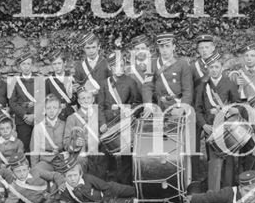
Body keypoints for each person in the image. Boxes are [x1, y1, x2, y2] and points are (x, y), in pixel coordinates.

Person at [194, 52, 241, 191]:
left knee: (229, 162)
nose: (214, 70)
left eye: (216, 66)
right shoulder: (203, 86)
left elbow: (238, 105)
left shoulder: (229, 84)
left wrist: (231, 111)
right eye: (211, 67)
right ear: (207, 69)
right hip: (211, 129)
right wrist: (203, 125)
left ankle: (228, 192)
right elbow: (198, 108)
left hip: (227, 130)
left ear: (221, 67)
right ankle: (213, 193)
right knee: (213, 161)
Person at [97, 52, 141, 184]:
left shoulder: (130, 82)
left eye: (122, 65)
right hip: (109, 123)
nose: (120, 68)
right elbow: (99, 106)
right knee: (107, 153)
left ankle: (127, 182)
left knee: (126, 153)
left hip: (125, 122)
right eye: (116, 66)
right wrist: (102, 123)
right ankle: (110, 181)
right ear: (110, 68)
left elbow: (137, 102)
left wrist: (129, 111)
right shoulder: (104, 83)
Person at [142, 32, 194, 117]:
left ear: (174, 47)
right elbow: (147, 86)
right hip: (159, 106)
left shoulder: (182, 64)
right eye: (161, 46)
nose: (164, 49)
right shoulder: (152, 64)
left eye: (167, 46)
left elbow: (187, 90)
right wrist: (148, 105)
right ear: (158, 48)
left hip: (177, 105)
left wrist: (183, 108)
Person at [59, 163, 136, 203]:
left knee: (136, 191)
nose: (73, 179)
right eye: (69, 176)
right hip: (104, 200)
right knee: (131, 202)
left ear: (80, 174)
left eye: (75, 175)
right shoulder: (65, 190)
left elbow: (106, 187)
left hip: (112, 190)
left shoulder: (88, 178)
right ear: (64, 177)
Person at [63, 86, 103, 177]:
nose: (86, 101)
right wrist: (75, 143)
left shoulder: (99, 116)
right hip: (80, 155)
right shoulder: (72, 118)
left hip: (97, 153)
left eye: (88, 98)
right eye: (83, 98)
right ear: (79, 101)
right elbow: (65, 143)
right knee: (81, 159)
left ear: (93, 99)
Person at [9, 51, 42, 151]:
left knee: (39, 145)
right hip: (22, 120)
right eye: (23, 64)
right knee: (24, 146)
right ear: (19, 66)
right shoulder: (14, 81)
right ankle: (26, 166)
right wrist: (24, 115)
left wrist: (35, 115)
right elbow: (12, 103)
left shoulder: (39, 79)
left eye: (28, 64)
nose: (26, 67)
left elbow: (43, 100)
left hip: (38, 118)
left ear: (32, 65)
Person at [30, 94, 66, 171]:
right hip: (46, 161)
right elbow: (34, 151)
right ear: (45, 110)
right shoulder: (38, 127)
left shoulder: (64, 125)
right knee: (38, 171)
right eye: (48, 108)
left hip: (62, 160)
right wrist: (34, 169)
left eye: (55, 108)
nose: (51, 111)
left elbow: (67, 144)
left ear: (59, 110)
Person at [45, 50, 75, 121]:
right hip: (57, 117)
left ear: (64, 63)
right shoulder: (49, 81)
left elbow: (78, 100)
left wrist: (72, 96)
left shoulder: (72, 78)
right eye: (54, 64)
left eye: (59, 63)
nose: (57, 66)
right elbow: (45, 100)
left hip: (71, 115)